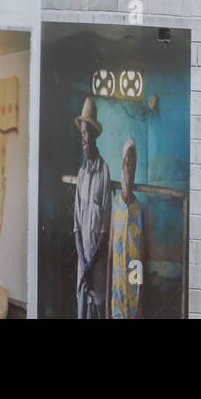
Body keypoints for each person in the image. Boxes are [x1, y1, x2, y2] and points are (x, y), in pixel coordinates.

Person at [73, 96, 111, 319]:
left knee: (97, 310)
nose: (83, 139)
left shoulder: (104, 173)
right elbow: (76, 225)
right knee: (82, 311)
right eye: (82, 134)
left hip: (96, 265)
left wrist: (90, 265)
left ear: (95, 136)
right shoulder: (81, 175)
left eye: (87, 133)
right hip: (83, 263)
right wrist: (82, 262)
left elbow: (105, 231)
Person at [109, 138, 145, 319]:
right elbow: (110, 255)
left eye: (132, 162)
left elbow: (140, 260)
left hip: (132, 294)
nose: (129, 166)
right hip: (116, 294)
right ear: (122, 166)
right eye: (126, 161)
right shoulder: (115, 206)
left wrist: (140, 304)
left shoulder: (139, 209)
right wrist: (109, 306)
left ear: (136, 168)